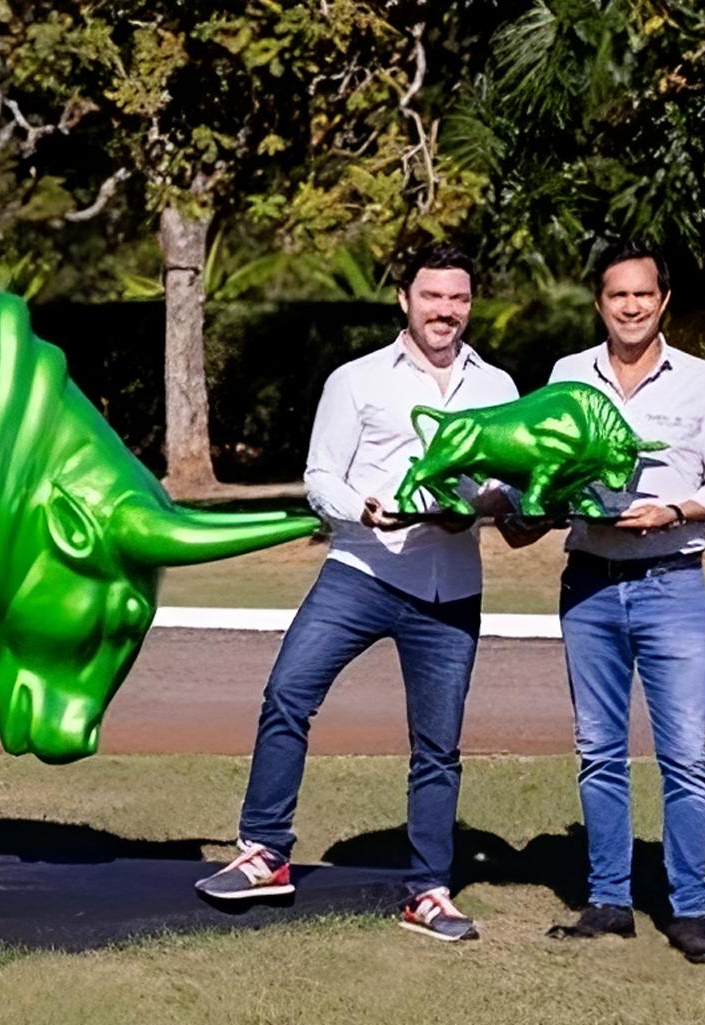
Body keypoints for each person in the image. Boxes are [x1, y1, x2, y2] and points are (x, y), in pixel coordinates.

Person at [194, 243, 518, 942]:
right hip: (362, 571)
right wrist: (366, 509)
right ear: (404, 299)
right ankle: (265, 854)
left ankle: (427, 891)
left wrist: (500, 502)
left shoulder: (498, 389)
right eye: (432, 296)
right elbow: (320, 477)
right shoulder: (358, 379)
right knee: (288, 694)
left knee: (438, 747)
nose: (446, 311)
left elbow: (511, 484)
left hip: (450, 588)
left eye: (458, 298)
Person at [533, 240, 705, 965]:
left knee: (685, 755)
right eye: (616, 295)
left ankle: (689, 913)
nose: (630, 306)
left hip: (671, 586)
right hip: (589, 585)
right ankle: (608, 902)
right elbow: (547, 463)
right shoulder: (569, 375)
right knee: (599, 751)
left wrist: (677, 512)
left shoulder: (704, 382)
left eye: (643, 295)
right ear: (600, 302)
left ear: (663, 302)